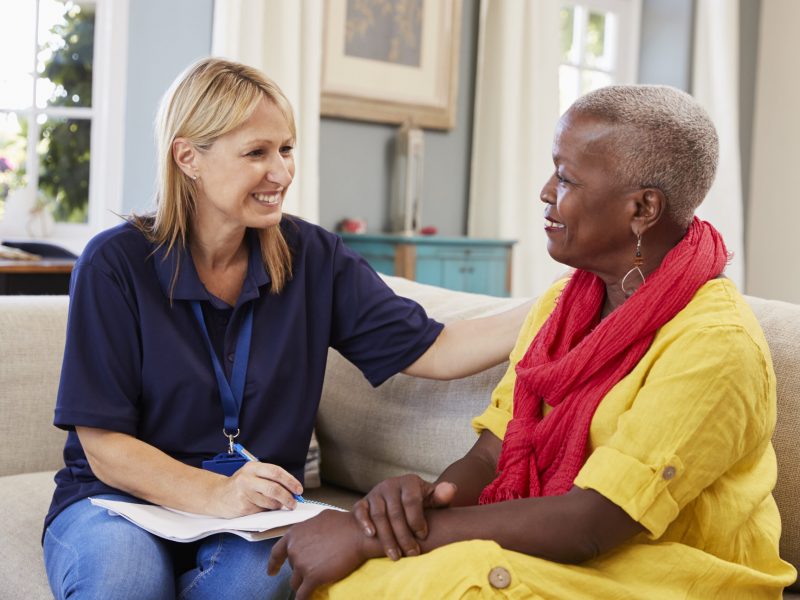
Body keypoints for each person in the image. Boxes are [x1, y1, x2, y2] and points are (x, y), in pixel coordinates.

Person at [267, 85, 799, 599]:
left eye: (566, 178)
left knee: (448, 583)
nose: (546, 191)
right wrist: (426, 505)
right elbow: (494, 453)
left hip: (670, 575)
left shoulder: (715, 345)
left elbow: (592, 522)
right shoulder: (564, 304)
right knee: (361, 576)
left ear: (642, 209)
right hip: (579, 556)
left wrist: (367, 536)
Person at [42, 57, 532, 600]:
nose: (281, 172)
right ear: (188, 158)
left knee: (256, 586)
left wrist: (561, 301)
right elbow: (105, 446)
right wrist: (216, 492)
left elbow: (437, 347)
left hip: (254, 515)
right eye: (256, 152)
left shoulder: (313, 257)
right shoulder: (115, 263)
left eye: (286, 149)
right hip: (120, 502)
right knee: (123, 584)